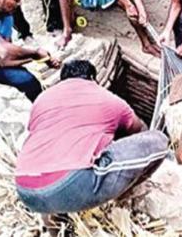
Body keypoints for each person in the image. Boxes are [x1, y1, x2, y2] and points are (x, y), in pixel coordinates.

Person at [15, 60, 169, 214]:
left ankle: (54, 222)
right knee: (159, 140)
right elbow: (139, 131)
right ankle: (125, 195)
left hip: (25, 190)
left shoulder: (42, 99)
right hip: (70, 186)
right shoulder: (108, 98)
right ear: (92, 78)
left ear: (63, 80)